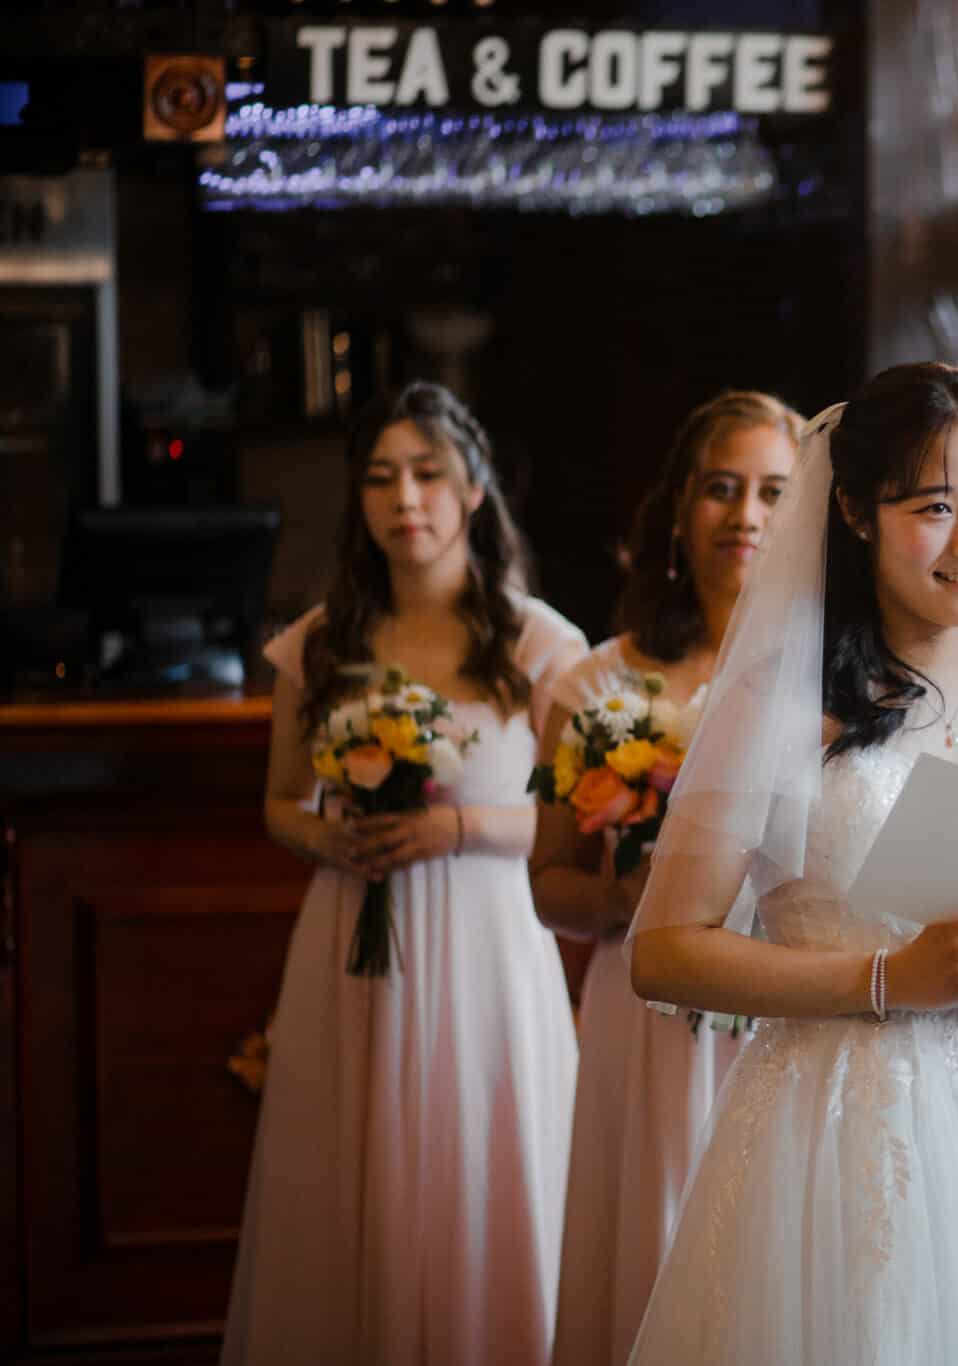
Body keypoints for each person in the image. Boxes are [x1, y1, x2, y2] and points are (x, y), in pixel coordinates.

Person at [622, 363, 958, 1365]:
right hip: (836, 1119)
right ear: (858, 514)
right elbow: (661, 952)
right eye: (933, 507)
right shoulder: (776, 707)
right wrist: (885, 978)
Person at [226, 381, 586, 1366]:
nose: (404, 498)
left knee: (480, 1157)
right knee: (351, 1160)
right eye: (381, 478)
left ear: (474, 490)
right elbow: (279, 802)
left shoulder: (541, 643)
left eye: (427, 474)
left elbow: (575, 822)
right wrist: (327, 838)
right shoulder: (320, 639)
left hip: (488, 937)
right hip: (351, 933)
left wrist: (457, 828)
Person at [535, 391, 800, 1366]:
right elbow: (548, 882)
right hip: (641, 1017)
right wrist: (632, 901)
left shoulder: (832, 685)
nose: (746, 515)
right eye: (720, 490)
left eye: (774, 491)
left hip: (780, 1012)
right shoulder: (594, 684)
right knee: (648, 1247)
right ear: (678, 512)